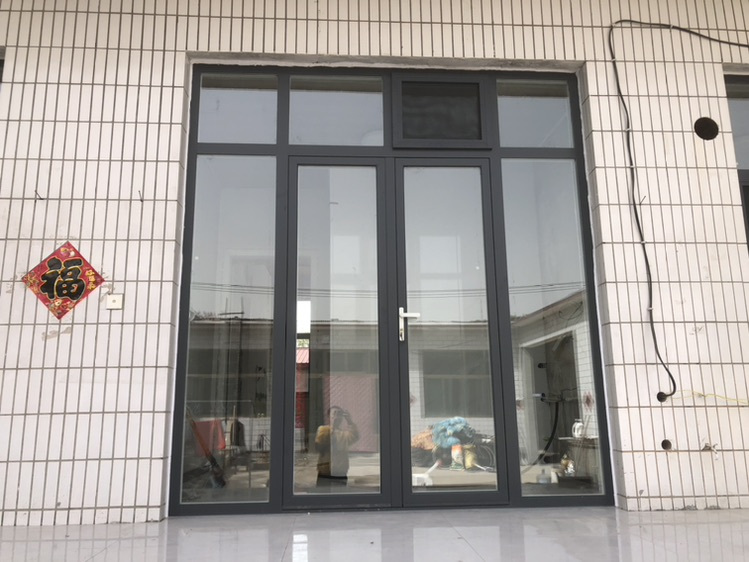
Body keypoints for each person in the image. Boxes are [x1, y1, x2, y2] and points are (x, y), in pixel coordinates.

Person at [315, 406, 359, 485]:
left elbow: (355, 437)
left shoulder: (344, 434)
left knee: (340, 491)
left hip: (340, 471)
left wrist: (349, 421)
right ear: (329, 417)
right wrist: (331, 430)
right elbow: (319, 446)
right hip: (325, 470)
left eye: (339, 414)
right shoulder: (323, 429)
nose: (336, 416)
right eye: (334, 413)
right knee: (323, 490)